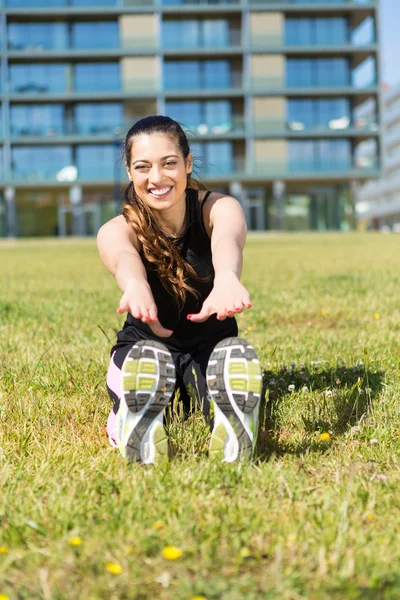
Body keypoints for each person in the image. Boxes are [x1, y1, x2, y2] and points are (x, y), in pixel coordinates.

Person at [97, 115, 262, 464]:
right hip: (146, 349)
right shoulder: (116, 229)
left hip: (211, 349)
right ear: (129, 171)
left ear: (187, 163)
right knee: (140, 370)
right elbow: (123, 257)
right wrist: (136, 284)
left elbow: (228, 240)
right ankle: (132, 416)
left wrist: (227, 277)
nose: (156, 178)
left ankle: (229, 420)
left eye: (169, 163)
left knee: (218, 378)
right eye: (143, 167)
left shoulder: (219, 208)